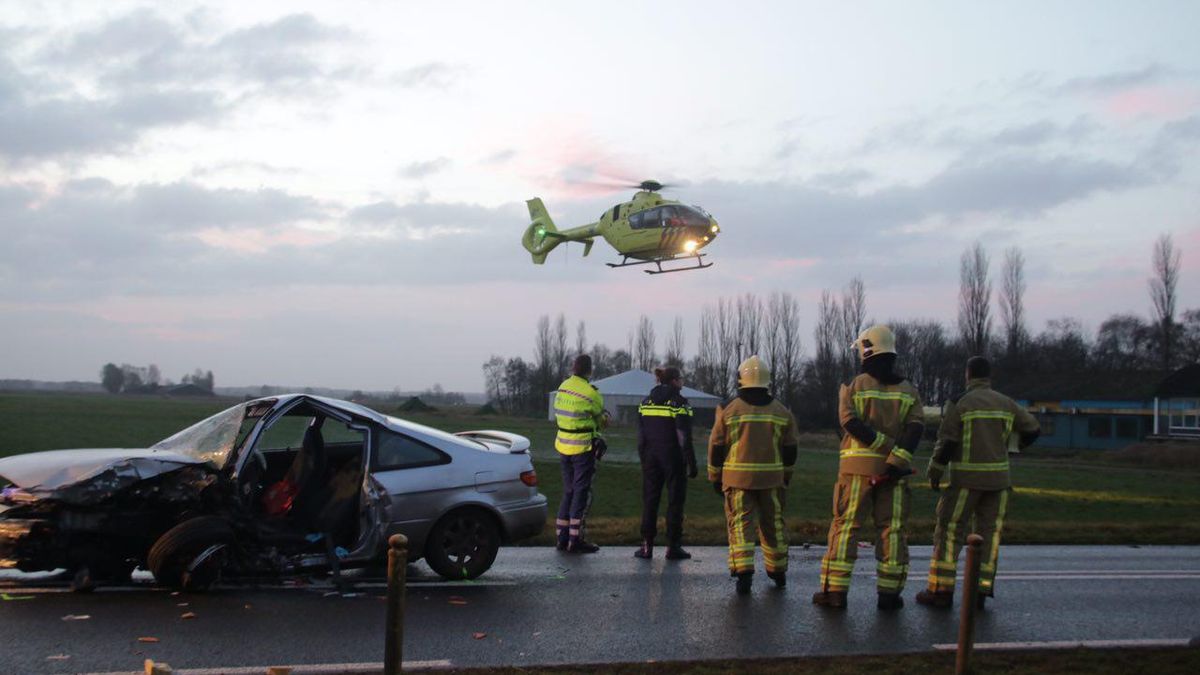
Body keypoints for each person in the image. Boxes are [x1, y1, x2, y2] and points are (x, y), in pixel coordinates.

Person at [813, 325, 924, 611]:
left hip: (855, 471)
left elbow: (849, 422)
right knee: (893, 530)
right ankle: (889, 594)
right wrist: (895, 459)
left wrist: (881, 444)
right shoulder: (910, 390)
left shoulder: (856, 385)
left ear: (867, 350)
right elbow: (915, 431)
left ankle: (834, 592)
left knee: (845, 527)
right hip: (895, 474)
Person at [916, 356, 1040, 610]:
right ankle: (980, 593)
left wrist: (935, 471)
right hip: (999, 482)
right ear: (989, 376)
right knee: (988, 536)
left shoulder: (961, 402)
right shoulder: (1006, 403)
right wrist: (1013, 447)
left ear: (968, 375)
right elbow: (1033, 429)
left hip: (966, 482)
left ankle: (941, 590)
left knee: (950, 531)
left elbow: (947, 441)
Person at [708, 355, 799, 594]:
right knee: (774, 526)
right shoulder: (782, 412)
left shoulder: (729, 411)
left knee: (740, 525)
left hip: (737, 481)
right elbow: (790, 449)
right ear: (767, 381)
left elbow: (716, 447)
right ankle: (778, 572)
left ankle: (744, 574)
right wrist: (785, 476)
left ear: (741, 380)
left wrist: (715, 476)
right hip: (772, 480)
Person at [634, 365, 698, 560]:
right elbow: (684, 437)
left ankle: (646, 546)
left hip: (651, 458)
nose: (682, 382)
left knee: (650, 501)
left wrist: (644, 457)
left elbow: (641, 435)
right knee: (675, 502)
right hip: (673, 459)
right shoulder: (680, 403)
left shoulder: (645, 402)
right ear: (674, 381)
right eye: (680, 379)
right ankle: (673, 546)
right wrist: (691, 463)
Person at [552, 354, 607, 554]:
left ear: (573, 368)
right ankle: (575, 539)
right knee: (580, 492)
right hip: (582, 447)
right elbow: (600, 417)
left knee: (568, 491)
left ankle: (561, 537)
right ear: (589, 370)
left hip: (563, 445)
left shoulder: (563, 386)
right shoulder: (591, 393)